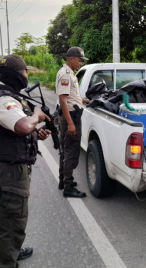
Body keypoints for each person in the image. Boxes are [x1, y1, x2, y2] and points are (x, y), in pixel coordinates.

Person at [0, 55, 52, 268]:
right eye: (25, 72)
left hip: (14, 169)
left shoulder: (10, 96)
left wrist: (35, 134)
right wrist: (37, 117)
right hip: (10, 171)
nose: (27, 76)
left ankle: (13, 250)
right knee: (13, 221)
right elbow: (22, 125)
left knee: (15, 217)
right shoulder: (4, 101)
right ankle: (8, 263)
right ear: (16, 74)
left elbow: (20, 130)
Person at [56, 47, 90, 198]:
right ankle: (68, 187)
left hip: (71, 114)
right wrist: (70, 123)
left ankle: (63, 180)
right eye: (80, 60)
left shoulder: (70, 74)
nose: (81, 63)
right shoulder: (65, 74)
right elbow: (62, 99)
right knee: (71, 152)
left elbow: (71, 96)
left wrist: (86, 101)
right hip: (71, 116)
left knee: (65, 150)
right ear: (71, 59)